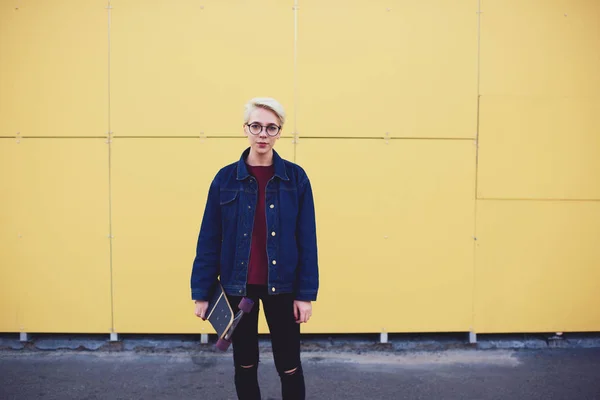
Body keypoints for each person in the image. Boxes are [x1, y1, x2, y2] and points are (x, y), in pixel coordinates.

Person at [190, 97, 319, 400]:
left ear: (279, 132)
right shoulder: (225, 179)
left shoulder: (295, 179)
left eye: (271, 127)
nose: (263, 134)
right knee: (245, 364)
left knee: (289, 366)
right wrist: (201, 292)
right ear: (245, 129)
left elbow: (307, 240)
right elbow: (209, 238)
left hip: (284, 287)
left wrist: (305, 295)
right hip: (238, 288)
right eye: (256, 126)